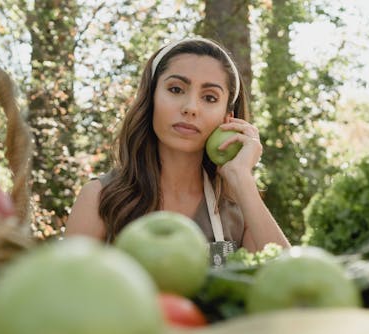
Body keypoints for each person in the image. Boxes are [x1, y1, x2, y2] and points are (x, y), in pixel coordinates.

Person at [66, 37, 290, 252]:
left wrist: (242, 178)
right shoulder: (100, 198)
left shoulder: (240, 209)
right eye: (176, 89)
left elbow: (287, 279)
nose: (191, 107)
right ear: (151, 98)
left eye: (210, 97)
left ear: (227, 118)